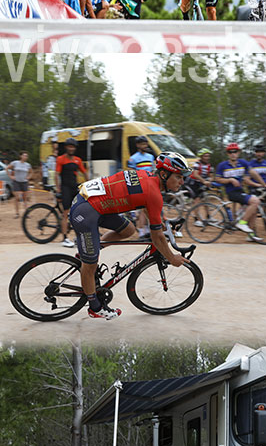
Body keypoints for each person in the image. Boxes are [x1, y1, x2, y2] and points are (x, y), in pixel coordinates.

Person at [69, 152, 191, 319]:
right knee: (90, 265)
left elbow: (146, 205)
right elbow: (157, 238)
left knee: (128, 230)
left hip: (92, 203)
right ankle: (95, 307)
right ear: (164, 174)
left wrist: (161, 222)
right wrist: (171, 258)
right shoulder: (154, 193)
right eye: (178, 176)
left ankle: (91, 250)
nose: (182, 181)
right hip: (86, 212)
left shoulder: (148, 176)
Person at [214, 143, 265, 239]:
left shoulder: (243, 163)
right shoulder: (223, 165)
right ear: (227, 154)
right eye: (230, 152)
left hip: (240, 191)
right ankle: (242, 223)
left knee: (254, 209)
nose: (233, 154)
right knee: (255, 201)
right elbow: (218, 179)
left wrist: (263, 184)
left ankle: (251, 235)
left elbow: (253, 173)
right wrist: (230, 180)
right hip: (231, 192)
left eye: (235, 152)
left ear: (239, 153)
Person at [56, 139, 87, 246]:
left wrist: (87, 185)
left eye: (73, 147)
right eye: (69, 146)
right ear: (66, 147)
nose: (71, 149)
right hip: (65, 188)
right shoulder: (61, 159)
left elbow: (84, 172)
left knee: (79, 212)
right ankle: (65, 238)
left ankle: (78, 237)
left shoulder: (77, 160)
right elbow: (57, 174)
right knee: (65, 213)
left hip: (74, 187)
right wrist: (58, 189)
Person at [127, 136, 156, 240]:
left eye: (146, 144)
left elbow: (153, 170)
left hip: (150, 184)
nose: (145, 146)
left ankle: (144, 229)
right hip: (140, 185)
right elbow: (131, 173)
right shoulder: (133, 158)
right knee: (145, 207)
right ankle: (142, 230)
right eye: (142, 144)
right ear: (138, 145)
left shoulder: (150, 157)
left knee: (148, 207)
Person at [8, 152, 33, 218]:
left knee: (25, 198)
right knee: (17, 198)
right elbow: (7, 168)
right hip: (16, 182)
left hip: (24, 182)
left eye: (27, 156)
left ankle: (26, 213)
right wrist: (10, 176)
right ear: (20, 156)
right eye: (24, 155)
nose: (25, 157)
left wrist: (29, 177)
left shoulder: (28, 165)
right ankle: (17, 213)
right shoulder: (15, 163)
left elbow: (31, 172)